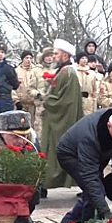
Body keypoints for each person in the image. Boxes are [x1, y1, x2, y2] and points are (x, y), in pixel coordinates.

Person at [58, 109, 112, 223]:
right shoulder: (89, 138)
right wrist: (106, 213)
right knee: (95, 189)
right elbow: (90, 178)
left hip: (97, 154)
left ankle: (73, 222)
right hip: (70, 155)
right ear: (109, 126)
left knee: (93, 192)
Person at [0, 110, 40, 223]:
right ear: (2, 134)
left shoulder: (30, 149)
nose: (22, 141)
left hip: (23, 206)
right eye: (16, 137)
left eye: (25, 136)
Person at [41, 39, 84, 191]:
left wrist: (46, 100)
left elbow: (66, 101)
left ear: (65, 56)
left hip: (62, 120)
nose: (53, 56)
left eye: (56, 53)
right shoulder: (62, 71)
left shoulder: (68, 73)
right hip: (54, 118)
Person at [13, 50, 44, 125]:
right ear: (22, 59)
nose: (29, 60)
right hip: (21, 104)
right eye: (26, 58)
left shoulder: (36, 70)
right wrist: (16, 101)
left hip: (34, 105)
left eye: (30, 58)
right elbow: (13, 88)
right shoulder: (16, 71)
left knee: (34, 126)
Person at [0, 42, 19, 113]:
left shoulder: (9, 68)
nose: (0, 54)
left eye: (2, 52)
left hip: (6, 99)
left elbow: (15, 85)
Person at [75, 52, 98, 116]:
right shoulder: (74, 72)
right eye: (82, 58)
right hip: (77, 100)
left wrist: (94, 103)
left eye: (86, 58)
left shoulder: (92, 73)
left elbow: (95, 90)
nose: (84, 60)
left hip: (89, 101)